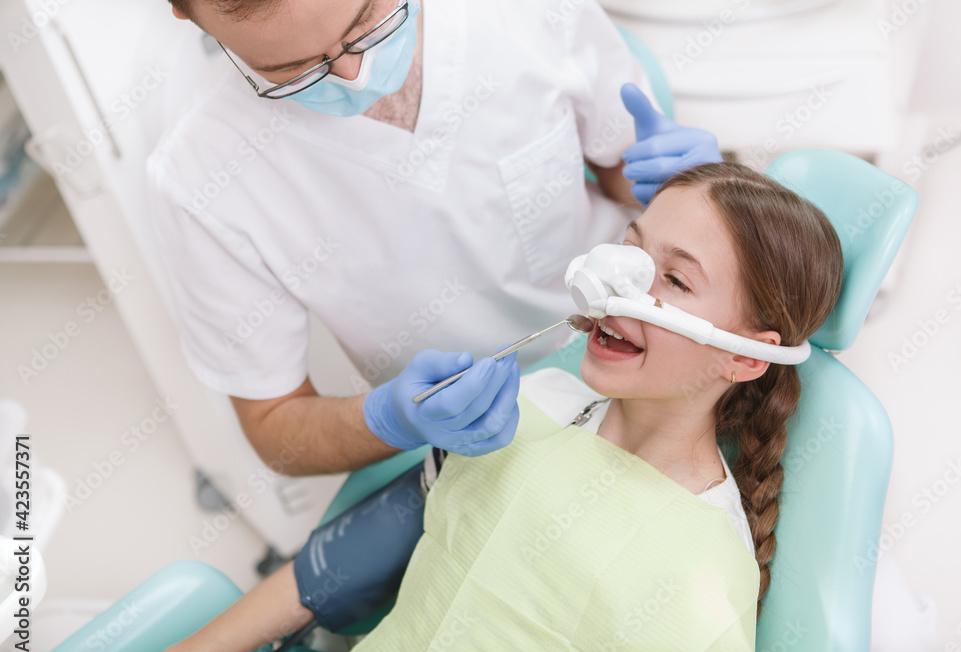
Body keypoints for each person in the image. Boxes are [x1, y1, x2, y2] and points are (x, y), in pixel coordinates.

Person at [145, 161, 844, 652]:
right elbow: (349, 559)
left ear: (746, 357)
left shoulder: (699, 582)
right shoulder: (530, 409)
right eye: (630, 251)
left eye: (675, 278)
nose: (615, 283)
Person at [148, 0, 722, 476]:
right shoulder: (199, 178)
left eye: (366, 23)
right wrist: (390, 418)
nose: (354, 75)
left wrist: (681, 186)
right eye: (294, 70)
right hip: (481, 443)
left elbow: (621, 167)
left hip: (655, 350)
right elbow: (275, 427)